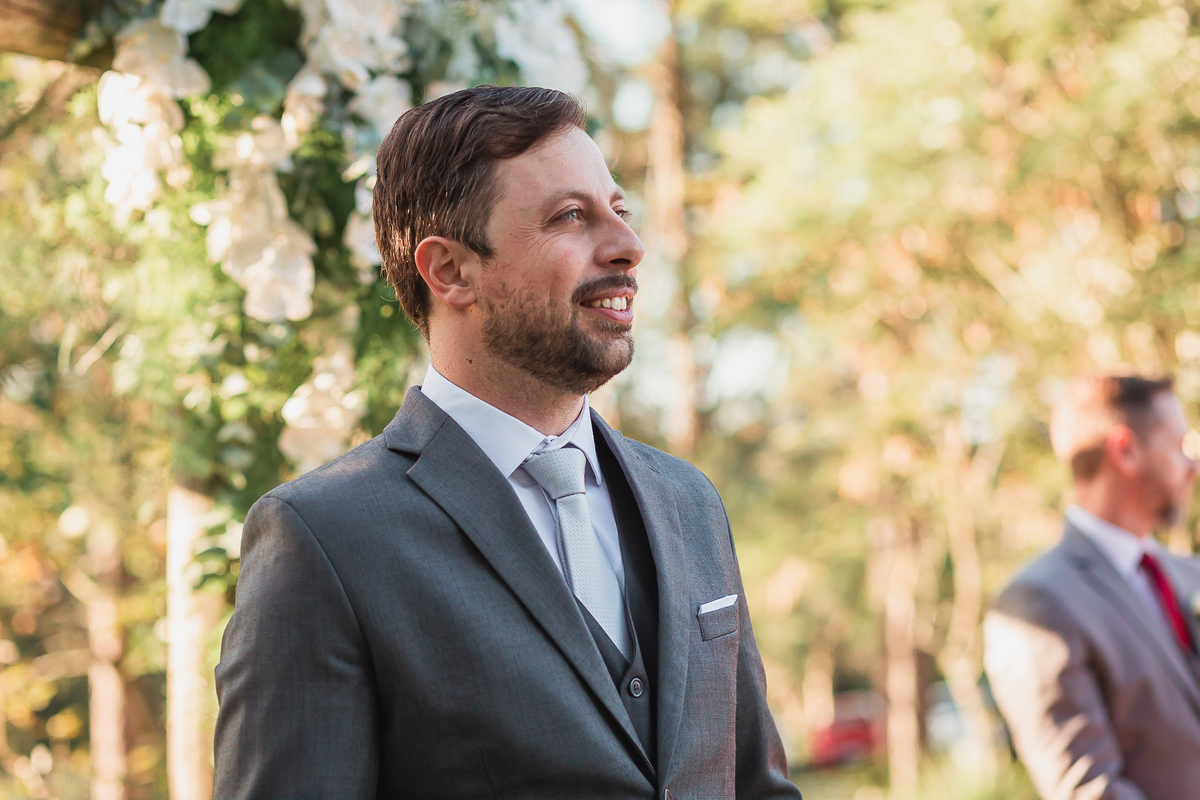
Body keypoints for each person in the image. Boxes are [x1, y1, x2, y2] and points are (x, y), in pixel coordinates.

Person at [212, 86, 800, 800]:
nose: (628, 246)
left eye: (618, 210)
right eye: (570, 216)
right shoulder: (324, 538)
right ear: (450, 271)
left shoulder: (690, 501)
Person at [984, 373, 1200, 800]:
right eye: (1178, 446)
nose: (1193, 466)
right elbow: (1089, 790)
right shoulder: (1036, 605)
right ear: (1125, 449)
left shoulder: (1189, 573)